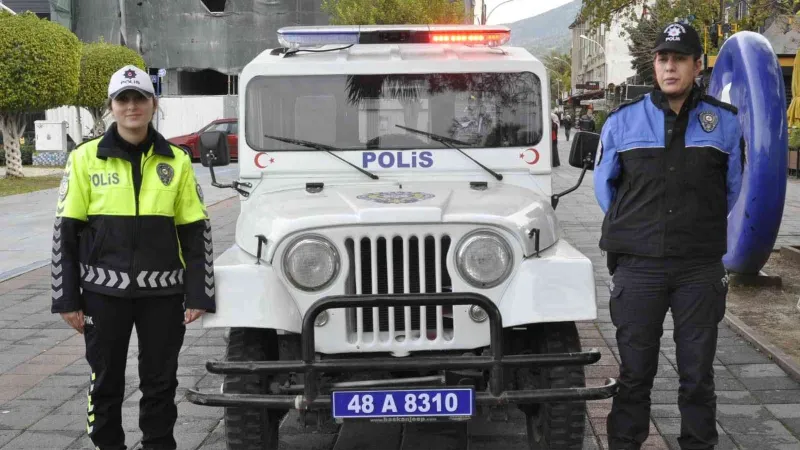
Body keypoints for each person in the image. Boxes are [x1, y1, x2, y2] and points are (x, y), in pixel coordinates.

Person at [593, 22, 743, 450]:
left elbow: (733, 187)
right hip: (638, 267)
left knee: (697, 375)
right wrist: (642, 227)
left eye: (680, 59)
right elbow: (605, 189)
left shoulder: (725, 124)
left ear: (699, 65)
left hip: (699, 267)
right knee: (635, 373)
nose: (670, 67)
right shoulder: (622, 122)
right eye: (663, 59)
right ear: (654, 64)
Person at [50, 65, 216, 450]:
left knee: (160, 382)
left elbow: (196, 232)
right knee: (105, 380)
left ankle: (159, 445)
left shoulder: (175, 160)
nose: (131, 106)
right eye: (122, 99)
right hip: (101, 295)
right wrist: (67, 298)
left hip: (163, 296)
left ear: (153, 104)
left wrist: (199, 293)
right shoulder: (84, 159)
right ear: (111, 106)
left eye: (139, 98)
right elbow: (65, 233)